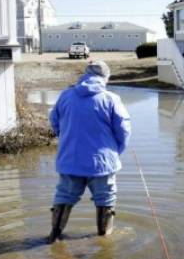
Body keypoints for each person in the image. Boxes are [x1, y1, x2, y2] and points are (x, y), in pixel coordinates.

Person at [47, 60, 131, 243]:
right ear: (105, 78)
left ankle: (54, 235)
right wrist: (117, 151)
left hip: (70, 160)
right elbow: (124, 130)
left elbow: (54, 122)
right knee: (106, 198)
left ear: (85, 74)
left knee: (64, 196)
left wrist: (67, 139)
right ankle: (104, 241)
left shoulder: (66, 95)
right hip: (102, 163)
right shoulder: (111, 99)